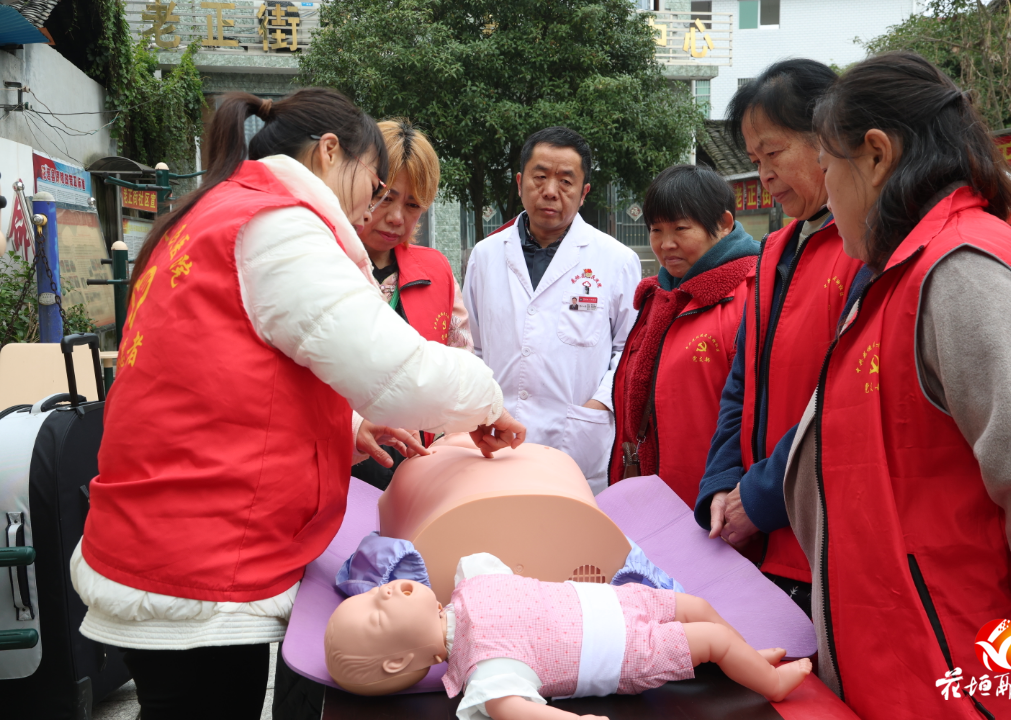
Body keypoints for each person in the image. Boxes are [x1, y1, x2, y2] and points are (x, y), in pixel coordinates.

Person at [70, 88, 525, 720]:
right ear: (331, 151)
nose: (376, 200)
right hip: (202, 557)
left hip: (167, 534)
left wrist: (349, 423)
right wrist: (486, 401)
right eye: (375, 179)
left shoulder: (215, 215)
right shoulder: (278, 225)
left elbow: (238, 374)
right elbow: (400, 369)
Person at [785, 51, 1011, 718]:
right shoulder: (902, 276)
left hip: (971, 688)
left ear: (878, 156)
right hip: (914, 676)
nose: (826, 199)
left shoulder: (961, 273)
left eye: (828, 170)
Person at [693, 60, 863, 614]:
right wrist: (722, 483)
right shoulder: (773, 250)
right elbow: (740, 382)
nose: (764, 174)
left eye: (774, 153)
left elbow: (842, 402)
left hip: (824, 537)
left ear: (828, 139)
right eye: (755, 160)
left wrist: (761, 497)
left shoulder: (862, 249)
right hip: (759, 534)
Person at [324, 555, 812, 720]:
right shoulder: (482, 667)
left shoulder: (469, 580)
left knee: (699, 609)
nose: (382, 594)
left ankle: (749, 657)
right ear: (397, 662)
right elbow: (512, 709)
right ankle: (770, 684)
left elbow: (497, 570)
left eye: (372, 594)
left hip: (616, 603)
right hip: (621, 654)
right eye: (375, 616)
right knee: (708, 638)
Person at [464, 127, 641, 494]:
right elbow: (471, 346)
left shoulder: (617, 260)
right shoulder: (485, 255)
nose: (550, 191)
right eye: (540, 176)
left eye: (565, 181)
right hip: (498, 433)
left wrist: (598, 404)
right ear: (519, 181)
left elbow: (629, 351)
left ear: (583, 193)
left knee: (569, 541)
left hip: (575, 437)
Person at [608, 165, 758, 507]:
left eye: (680, 228)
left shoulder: (752, 294)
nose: (666, 244)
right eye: (656, 230)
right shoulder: (661, 295)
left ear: (723, 223)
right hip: (652, 494)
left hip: (715, 501)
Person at [353, 118, 474, 489]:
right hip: (340, 464)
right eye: (386, 197)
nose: (395, 217)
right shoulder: (323, 265)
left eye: (413, 205)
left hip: (418, 468)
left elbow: (460, 366)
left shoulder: (436, 271)